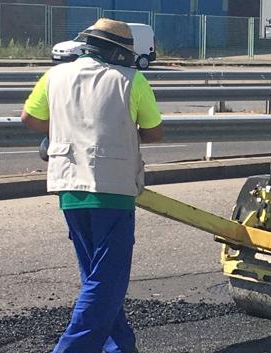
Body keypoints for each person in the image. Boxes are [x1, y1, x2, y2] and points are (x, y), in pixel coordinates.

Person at [21, 18, 163, 353]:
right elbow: (155, 132)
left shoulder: (55, 76)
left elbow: (30, 119)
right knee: (106, 282)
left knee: (97, 278)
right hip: (112, 190)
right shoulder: (131, 80)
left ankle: (120, 347)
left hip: (69, 187)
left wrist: (65, 130)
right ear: (119, 51)